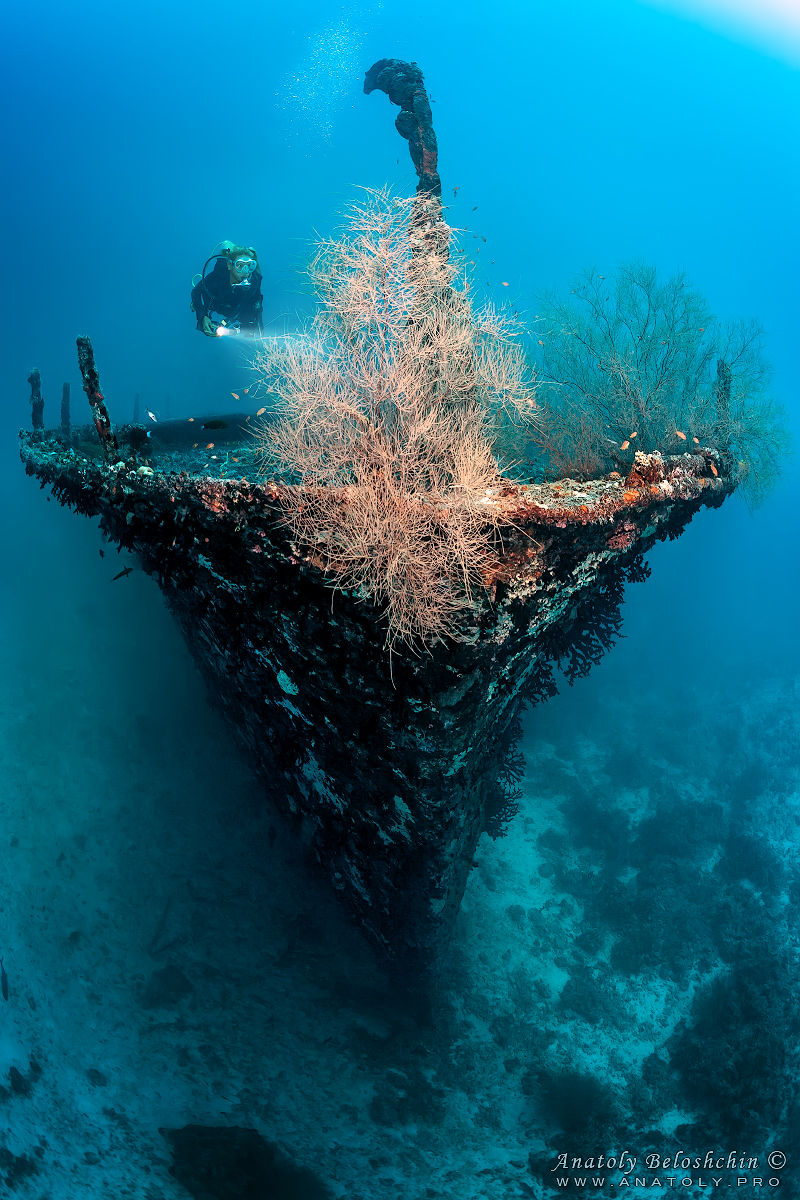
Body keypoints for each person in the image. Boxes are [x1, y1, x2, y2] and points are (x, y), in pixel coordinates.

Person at [191, 241, 263, 337]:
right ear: (230, 265)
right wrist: (203, 316)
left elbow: (257, 312)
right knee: (200, 301)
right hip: (218, 304)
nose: (245, 272)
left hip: (236, 308)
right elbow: (196, 292)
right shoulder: (219, 275)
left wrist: (235, 330)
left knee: (251, 325)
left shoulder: (254, 282)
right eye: (240, 265)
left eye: (249, 266)